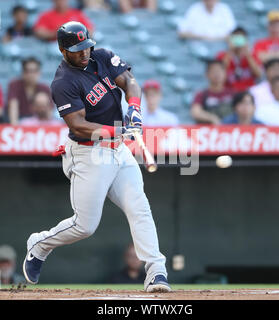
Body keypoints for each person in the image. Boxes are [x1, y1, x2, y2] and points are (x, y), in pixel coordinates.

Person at [22, 21, 170, 293]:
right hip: (89, 153)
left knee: (140, 207)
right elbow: (77, 125)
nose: (84, 53)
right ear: (62, 50)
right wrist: (117, 130)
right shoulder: (63, 82)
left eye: (85, 47)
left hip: (118, 150)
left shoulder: (101, 56)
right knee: (85, 225)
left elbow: (129, 82)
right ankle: (40, 244)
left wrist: (134, 109)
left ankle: (156, 271)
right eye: (77, 50)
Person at [7, 57, 52, 125]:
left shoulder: (45, 88)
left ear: (39, 72)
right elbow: (13, 107)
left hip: (38, 120)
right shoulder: (15, 85)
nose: (31, 74)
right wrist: (15, 127)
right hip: (20, 120)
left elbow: (49, 111)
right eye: (28, 71)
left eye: (34, 71)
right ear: (23, 72)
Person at [216, 27, 261, 93]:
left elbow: (258, 74)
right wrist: (230, 51)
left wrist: (247, 55)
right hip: (229, 91)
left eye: (241, 38)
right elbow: (219, 75)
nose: (238, 41)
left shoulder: (252, 55)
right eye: (236, 38)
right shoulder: (222, 56)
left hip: (249, 91)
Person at [190, 60, 234, 124]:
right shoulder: (201, 94)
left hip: (230, 131)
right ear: (206, 74)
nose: (217, 74)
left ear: (225, 73)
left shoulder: (232, 93)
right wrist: (212, 118)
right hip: (209, 131)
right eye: (214, 71)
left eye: (220, 71)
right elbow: (195, 112)